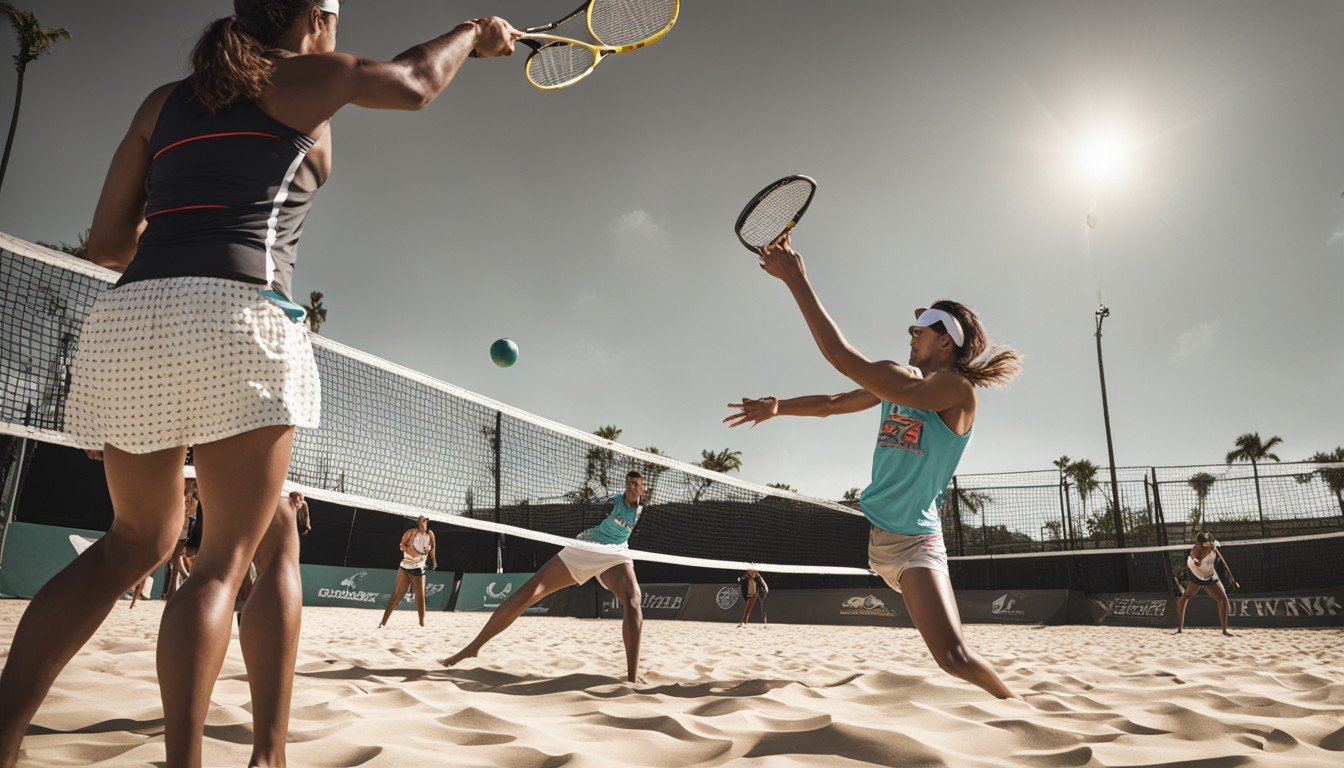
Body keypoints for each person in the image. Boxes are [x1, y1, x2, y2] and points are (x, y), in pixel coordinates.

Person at [0, 3, 521, 766]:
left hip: (130, 319)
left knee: (132, 543)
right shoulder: (313, 76)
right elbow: (414, 83)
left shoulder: (163, 101)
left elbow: (109, 242)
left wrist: (186, 224)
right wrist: (475, 34)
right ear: (318, 16)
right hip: (237, 315)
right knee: (222, 564)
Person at [724, 233, 1023, 699]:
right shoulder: (900, 381)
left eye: (920, 329)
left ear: (945, 341)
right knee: (950, 657)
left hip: (915, 542)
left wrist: (797, 279)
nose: (911, 333)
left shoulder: (956, 392)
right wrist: (779, 407)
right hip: (879, 536)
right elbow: (833, 402)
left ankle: (1017, 707)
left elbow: (843, 360)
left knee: (953, 657)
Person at [444, 471, 648, 682]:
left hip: (615, 554)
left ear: (642, 488)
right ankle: (472, 648)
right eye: (631, 483)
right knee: (532, 591)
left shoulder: (642, 508)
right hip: (588, 546)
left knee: (634, 601)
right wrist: (595, 497)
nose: (634, 487)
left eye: (638, 484)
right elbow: (601, 499)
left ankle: (632, 679)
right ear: (626, 485)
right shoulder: (616, 498)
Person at [1175, 531, 1239, 636]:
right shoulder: (1197, 548)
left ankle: (1224, 630)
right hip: (1196, 572)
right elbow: (1194, 556)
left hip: (1208, 574)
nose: (1207, 543)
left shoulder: (1213, 546)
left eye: (1208, 541)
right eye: (1204, 542)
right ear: (1199, 542)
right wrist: (1197, 561)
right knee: (1186, 596)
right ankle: (1179, 629)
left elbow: (1222, 561)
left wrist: (1233, 579)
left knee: (1222, 598)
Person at [379, 516, 437, 628]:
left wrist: (433, 559)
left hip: (418, 567)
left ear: (426, 522)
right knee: (396, 597)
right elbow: (402, 545)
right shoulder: (410, 533)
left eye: (425, 520)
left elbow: (433, 547)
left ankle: (422, 624)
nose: (424, 522)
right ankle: (382, 623)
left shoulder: (430, 534)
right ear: (418, 522)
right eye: (422, 520)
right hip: (405, 566)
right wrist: (404, 547)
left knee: (420, 597)